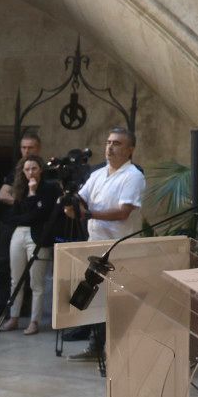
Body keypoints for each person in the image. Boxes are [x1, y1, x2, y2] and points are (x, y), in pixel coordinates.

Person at [68, 128, 145, 362]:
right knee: (94, 296)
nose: (110, 147)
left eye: (117, 143)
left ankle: (114, 349)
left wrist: (88, 213)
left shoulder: (133, 176)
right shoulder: (98, 174)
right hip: (94, 243)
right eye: (108, 142)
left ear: (130, 149)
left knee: (114, 299)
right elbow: (81, 198)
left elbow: (123, 212)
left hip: (118, 247)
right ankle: (95, 346)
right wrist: (71, 203)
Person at [0, 154, 60, 334]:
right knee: (15, 279)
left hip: (39, 236)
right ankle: (14, 317)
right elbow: (14, 215)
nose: (30, 172)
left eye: (34, 168)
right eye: (27, 169)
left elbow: (40, 214)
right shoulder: (20, 188)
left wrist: (32, 195)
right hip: (19, 233)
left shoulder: (49, 188)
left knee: (36, 282)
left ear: (40, 169)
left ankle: (34, 321)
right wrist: (29, 210)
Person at [0, 131, 45, 310]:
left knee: (32, 270)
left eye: (31, 147)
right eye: (24, 147)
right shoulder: (14, 171)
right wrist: (23, 201)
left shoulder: (45, 172)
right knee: (4, 264)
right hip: (12, 224)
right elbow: (1, 195)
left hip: (35, 226)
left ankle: (25, 308)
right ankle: (2, 305)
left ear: (39, 149)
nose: (27, 151)